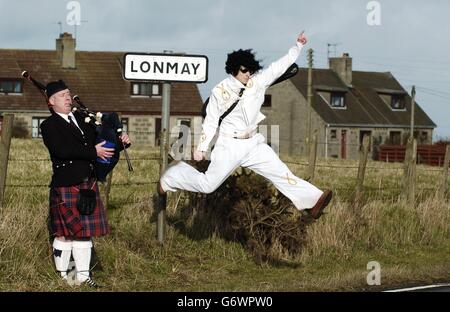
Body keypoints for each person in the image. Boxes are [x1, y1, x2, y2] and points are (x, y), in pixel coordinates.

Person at [158, 32, 332, 219]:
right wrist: (201, 148)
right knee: (208, 185)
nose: (248, 74)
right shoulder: (220, 91)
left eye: (250, 70)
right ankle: (172, 176)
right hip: (228, 145)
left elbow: (279, 66)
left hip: (252, 143)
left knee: (281, 172)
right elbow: (211, 121)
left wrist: (298, 45)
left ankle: (313, 200)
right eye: (244, 70)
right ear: (233, 70)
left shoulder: (257, 82)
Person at [40, 80, 131, 287]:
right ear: (52, 102)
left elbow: (101, 142)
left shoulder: (83, 119)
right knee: (64, 234)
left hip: (87, 183)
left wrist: (119, 141)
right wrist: (93, 152)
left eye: (68, 94)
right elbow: (61, 150)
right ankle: (64, 278)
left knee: (84, 234)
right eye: (62, 95)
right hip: (66, 183)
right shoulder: (48, 125)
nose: (67, 97)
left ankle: (82, 277)